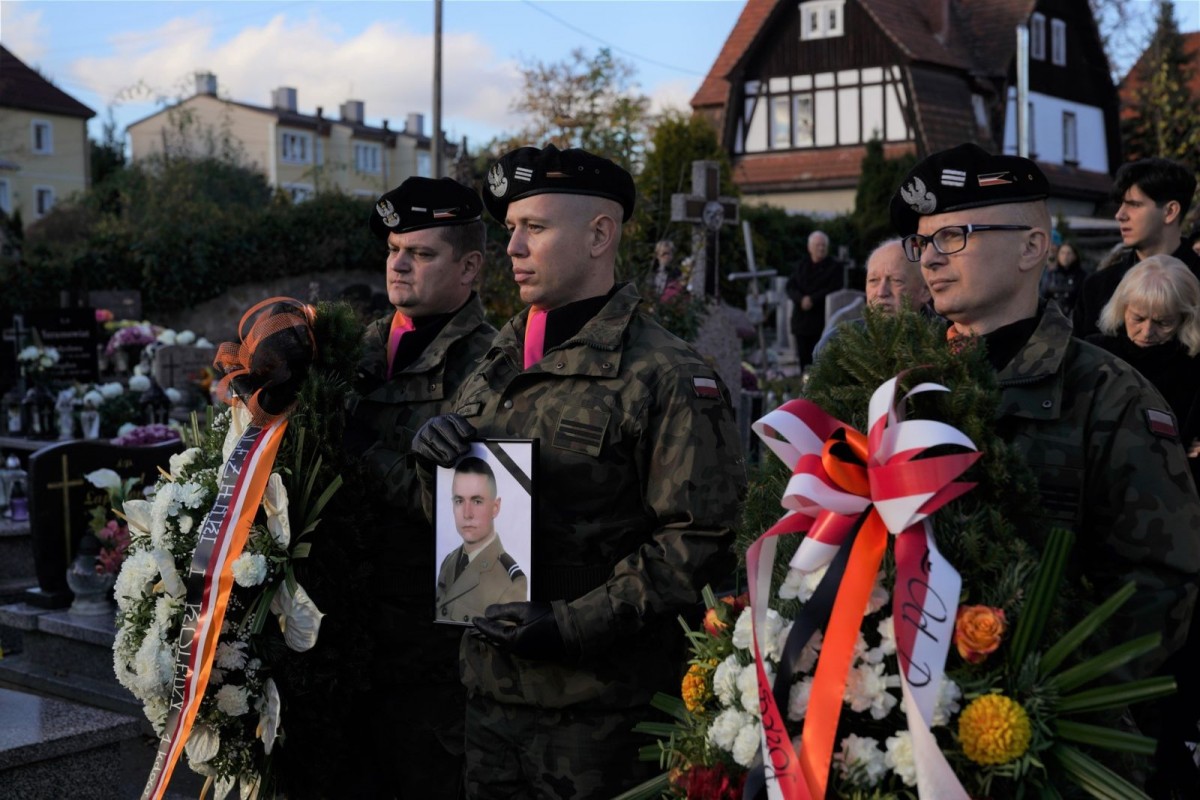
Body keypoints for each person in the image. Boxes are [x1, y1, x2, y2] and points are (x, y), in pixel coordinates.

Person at [412, 144, 747, 800]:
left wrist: (572, 623)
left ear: (600, 234)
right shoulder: (495, 365)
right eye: (510, 229)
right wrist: (435, 469)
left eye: (534, 227)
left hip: (600, 723)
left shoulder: (667, 374)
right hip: (489, 700)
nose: (513, 247)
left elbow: (696, 550)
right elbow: (463, 527)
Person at [892, 143, 1200, 795]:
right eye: (922, 241)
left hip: (1054, 754)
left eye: (955, 234)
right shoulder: (893, 388)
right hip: (904, 741)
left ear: (1032, 247)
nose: (932, 257)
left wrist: (1021, 695)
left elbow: (1160, 587)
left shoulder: (1112, 396)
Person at [349, 175, 497, 799]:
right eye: (393, 250)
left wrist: (354, 451)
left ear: (469, 268)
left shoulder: (495, 366)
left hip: (428, 664)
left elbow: (469, 518)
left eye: (422, 253)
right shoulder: (359, 347)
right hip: (345, 641)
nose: (399, 264)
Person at [1087, 255, 1200, 487]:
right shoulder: (1093, 354)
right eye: (1138, 318)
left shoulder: (1194, 365)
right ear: (1122, 308)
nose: (1147, 332)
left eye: (1163, 322)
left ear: (1185, 318)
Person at [1074, 157, 1200, 338]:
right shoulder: (1098, 288)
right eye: (1121, 204)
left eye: (1134, 204)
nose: (1120, 215)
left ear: (1170, 211)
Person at [436, 456, 528, 623]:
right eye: (459, 501)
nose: (467, 513)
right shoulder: (449, 561)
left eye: (477, 501)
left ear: (495, 508)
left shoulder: (512, 582)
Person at [813, 238, 931, 357]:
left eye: (896, 280)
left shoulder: (946, 340)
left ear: (925, 291)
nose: (881, 292)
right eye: (873, 280)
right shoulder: (834, 344)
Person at [787, 230, 843, 368]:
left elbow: (834, 288)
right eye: (818, 245)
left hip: (821, 320)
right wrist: (801, 299)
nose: (821, 248)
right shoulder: (801, 265)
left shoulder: (834, 267)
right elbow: (790, 286)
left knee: (820, 359)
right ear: (809, 247)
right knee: (803, 360)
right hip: (801, 320)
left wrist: (812, 299)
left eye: (824, 245)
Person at [1038, 240, 1087, 319]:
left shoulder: (1081, 276)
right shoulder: (1050, 274)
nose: (1065, 256)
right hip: (1052, 318)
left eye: (1068, 253)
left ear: (1075, 256)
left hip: (1073, 318)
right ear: (1058, 255)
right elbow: (1042, 296)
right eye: (1062, 253)